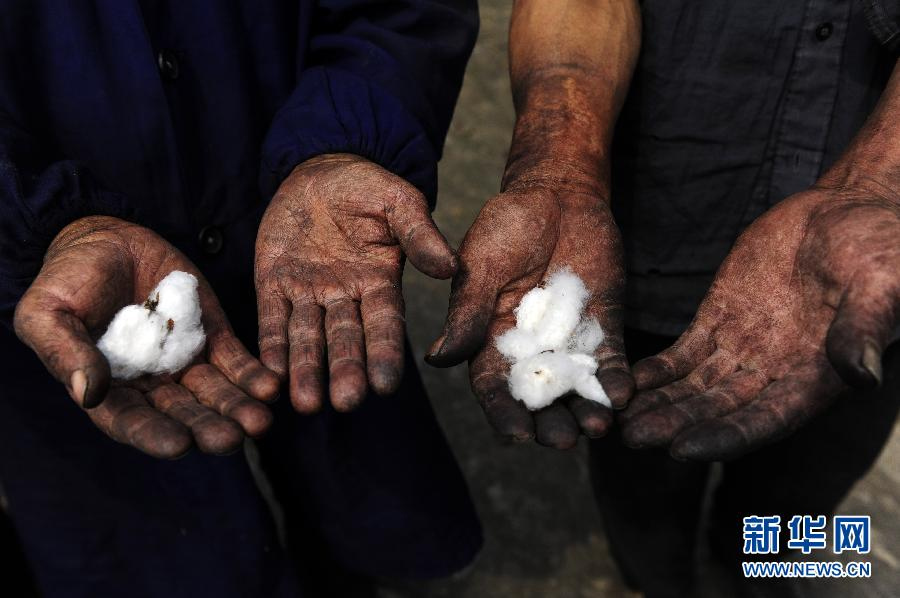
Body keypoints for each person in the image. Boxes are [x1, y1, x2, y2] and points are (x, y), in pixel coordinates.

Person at [0, 1, 482, 596]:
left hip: (289, 251)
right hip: (52, 297)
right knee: (164, 550)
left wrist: (343, 140)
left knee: (355, 500)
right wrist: (40, 222)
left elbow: (401, 12)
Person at [428, 0, 900, 596]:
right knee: (642, 472)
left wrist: (882, 185)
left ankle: (761, 569)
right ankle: (660, 579)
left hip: (881, 261)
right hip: (662, 212)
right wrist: (557, 168)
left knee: (803, 489)